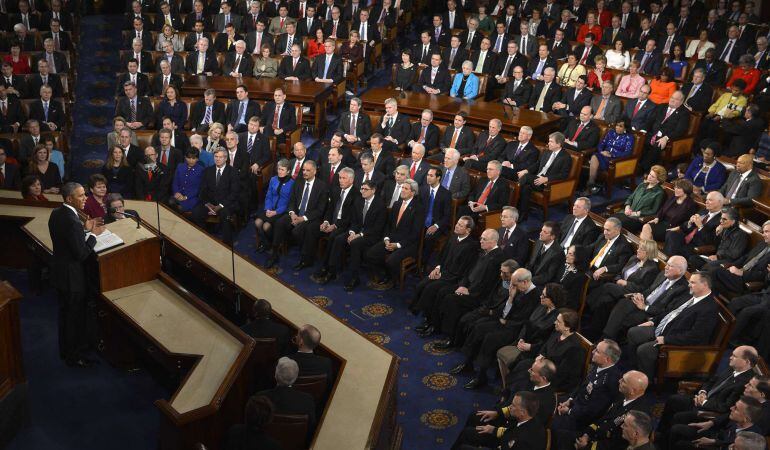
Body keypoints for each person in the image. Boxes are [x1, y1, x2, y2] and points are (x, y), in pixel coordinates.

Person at [48, 182, 105, 367]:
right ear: (69, 199)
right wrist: (94, 235)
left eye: (84, 195)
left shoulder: (57, 213)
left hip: (60, 274)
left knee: (65, 316)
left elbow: (67, 240)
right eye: (80, 196)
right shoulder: (72, 220)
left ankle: (66, 351)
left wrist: (84, 230)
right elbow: (81, 254)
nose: (85, 198)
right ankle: (75, 356)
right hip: (72, 278)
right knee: (74, 317)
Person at [627, 272, 718, 379]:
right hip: (665, 327)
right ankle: (635, 368)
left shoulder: (709, 309)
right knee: (633, 332)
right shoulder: (689, 295)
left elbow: (695, 336)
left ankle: (646, 382)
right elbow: (669, 311)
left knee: (644, 350)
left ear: (705, 285)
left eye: (692, 283)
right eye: (689, 282)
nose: (689, 285)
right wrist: (654, 321)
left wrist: (666, 339)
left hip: (675, 342)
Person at [581, 240, 660, 339]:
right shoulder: (633, 258)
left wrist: (626, 283)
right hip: (618, 288)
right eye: (638, 247)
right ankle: (593, 332)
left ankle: (584, 305)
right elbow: (620, 273)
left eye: (641, 249)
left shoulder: (652, 269)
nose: (638, 250)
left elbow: (643, 288)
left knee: (608, 286)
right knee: (604, 300)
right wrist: (619, 280)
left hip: (631, 293)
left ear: (648, 252)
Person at [267, 160, 329, 269]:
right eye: (303, 170)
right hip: (295, 214)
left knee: (298, 231)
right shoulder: (298, 181)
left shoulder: (322, 186)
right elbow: (292, 201)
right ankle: (274, 254)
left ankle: (306, 259)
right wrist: (292, 213)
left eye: (308, 170)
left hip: (309, 218)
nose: (304, 172)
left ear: (314, 171)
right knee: (279, 222)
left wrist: (303, 218)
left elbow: (320, 210)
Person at [256, 357, 317, 440]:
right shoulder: (307, 401)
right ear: (295, 378)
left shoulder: (260, 398)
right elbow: (311, 429)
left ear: (275, 375)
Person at [640, 178, 699, 242]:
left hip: (672, 229)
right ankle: (646, 249)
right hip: (661, 223)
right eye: (675, 187)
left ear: (686, 190)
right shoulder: (673, 197)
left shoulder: (690, 205)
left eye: (678, 188)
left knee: (646, 232)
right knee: (646, 228)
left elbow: (688, 223)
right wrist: (657, 218)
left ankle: (644, 250)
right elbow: (662, 209)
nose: (675, 189)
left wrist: (678, 228)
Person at [584, 119, 635, 195]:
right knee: (595, 156)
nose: (617, 127)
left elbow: (627, 153)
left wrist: (612, 154)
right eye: (617, 125)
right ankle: (591, 184)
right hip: (604, 156)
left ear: (625, 128)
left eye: (620, 126)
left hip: (616, 160)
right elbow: (601, 144)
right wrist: (602, 151)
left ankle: (591, 186)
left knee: (594, 158)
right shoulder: (611, 133)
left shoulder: (629, 137)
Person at [612, 165, 666, 233]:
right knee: (611, 219)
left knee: (617, 224)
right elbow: (630, 198)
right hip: (626, 213)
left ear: (658, 181)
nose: (649, 177)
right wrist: (627, 207)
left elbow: (654, 211)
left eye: (652, 176)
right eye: (649, 174)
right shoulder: (642, 185)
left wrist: (636, 213)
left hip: (638, 219)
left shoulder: (659, 193)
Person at [254, 159, 293, 253]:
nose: (280, 171)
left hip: (281, 211)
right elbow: (268, 195)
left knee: (266, 226)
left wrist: (275, 212)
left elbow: (288, 203)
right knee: (258, 222)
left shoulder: (292, 183)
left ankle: (272, 243)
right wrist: (268, 209)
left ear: (288, 171)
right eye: (279, 169)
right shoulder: (273, 179)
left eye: (282, 169)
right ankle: (266, 243)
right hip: (270, 208)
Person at [169, 148, 203, 212]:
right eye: (189, 158)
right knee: (169, 202)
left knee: (180, 208)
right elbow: (175, 182)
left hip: (191, 198)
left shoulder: (201, 170)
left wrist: (186, 197)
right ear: (185, 157)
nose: (191, 160)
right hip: (178, 195)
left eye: (193, 158)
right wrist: (177, 192)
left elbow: (198, 188)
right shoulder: (180, 166)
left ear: (197, 159)